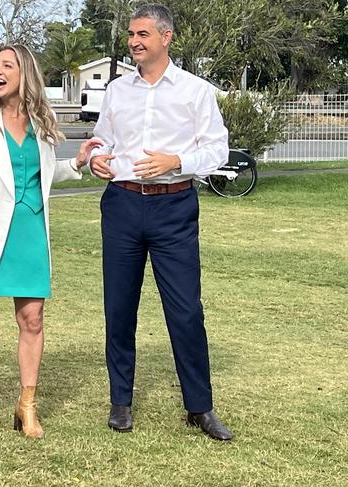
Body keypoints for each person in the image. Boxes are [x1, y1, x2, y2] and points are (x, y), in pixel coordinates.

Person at [0, 44, 102, 441]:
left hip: (30, 232)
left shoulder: (43, 120)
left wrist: (75, 164)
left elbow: (39, 174)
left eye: (7, 65)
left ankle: (26, 405)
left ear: (25, 73)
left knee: (33, 320)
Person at [89, 4, 233, 441]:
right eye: (131, 34)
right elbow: (103, 139)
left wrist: (178, 161)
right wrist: (97, 158)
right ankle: (121, 402)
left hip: (174, 209)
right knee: (119, 306)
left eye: (143, 34)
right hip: (123, 205)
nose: (134, 41)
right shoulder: (117, 90)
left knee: (186, 311)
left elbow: (218, 151)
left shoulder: (195, 91)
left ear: (165, 38)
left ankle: (200, 407)